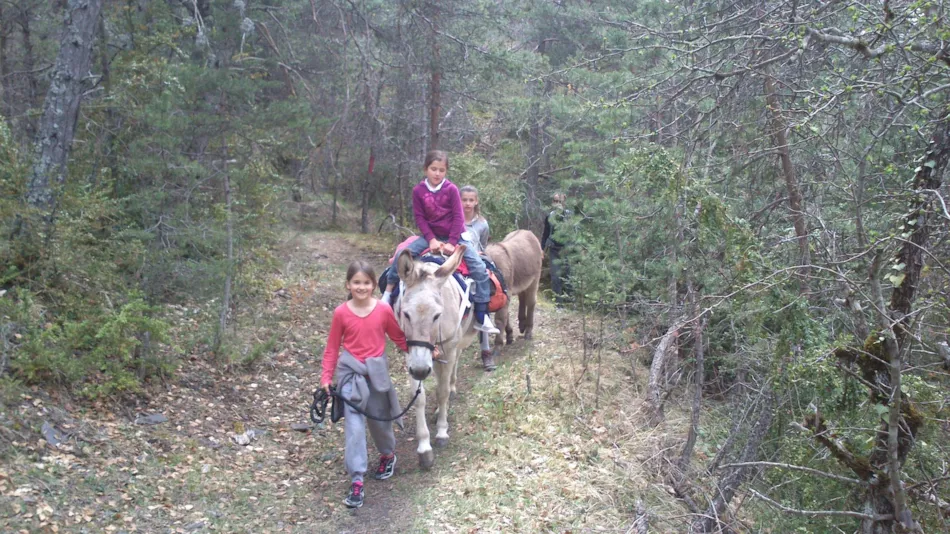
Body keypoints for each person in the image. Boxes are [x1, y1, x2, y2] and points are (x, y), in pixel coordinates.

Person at [320, 260, 409, 509]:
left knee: (380, 421)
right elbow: (332, 348)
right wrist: (327, 377)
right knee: (355, 429)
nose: (361, 287)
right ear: (348, 284)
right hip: (350, 377)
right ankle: (357, 480)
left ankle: (387, 454)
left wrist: (421, 352)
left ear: (374, 285)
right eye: (356, 282)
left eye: (366, 283)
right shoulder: (341, 313)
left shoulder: (382, 310)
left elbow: (398, 337)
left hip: (376, 375)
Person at [381, 151, 500, 335]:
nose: (437, 173)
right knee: (400, 256)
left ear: (446, 171)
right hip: (430, 236)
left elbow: (458, 217)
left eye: (441, 170)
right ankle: (387, 296)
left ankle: (482, 314)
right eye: (433, 169)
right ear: (426, 169)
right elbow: (420, 218)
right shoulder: (418, 191)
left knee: (478, 266)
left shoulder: (451, 189)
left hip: (456, 236)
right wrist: (431, 239)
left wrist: (452, 242)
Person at [460, 185, 496, 370]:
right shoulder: (453, 219)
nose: (467, 203)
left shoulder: (482, 224)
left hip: (474, 264)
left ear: (476, 201)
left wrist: (481, 259)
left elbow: (482, 246)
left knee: (484, 297)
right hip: (456, 262)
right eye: (464, 199)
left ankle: (486, 350)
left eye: (471, 200)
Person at [541, 192, 572, 305]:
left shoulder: (570, 216)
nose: (557, 204)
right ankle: (559, 304)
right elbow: (545, 234)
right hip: (554, 250)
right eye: (555, 201)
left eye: (560, 201)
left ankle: (570, 301)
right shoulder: (550, 217)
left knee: (569, 277)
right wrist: (541, 249)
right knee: (555, 277)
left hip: (568, 251)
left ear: (564, 202)